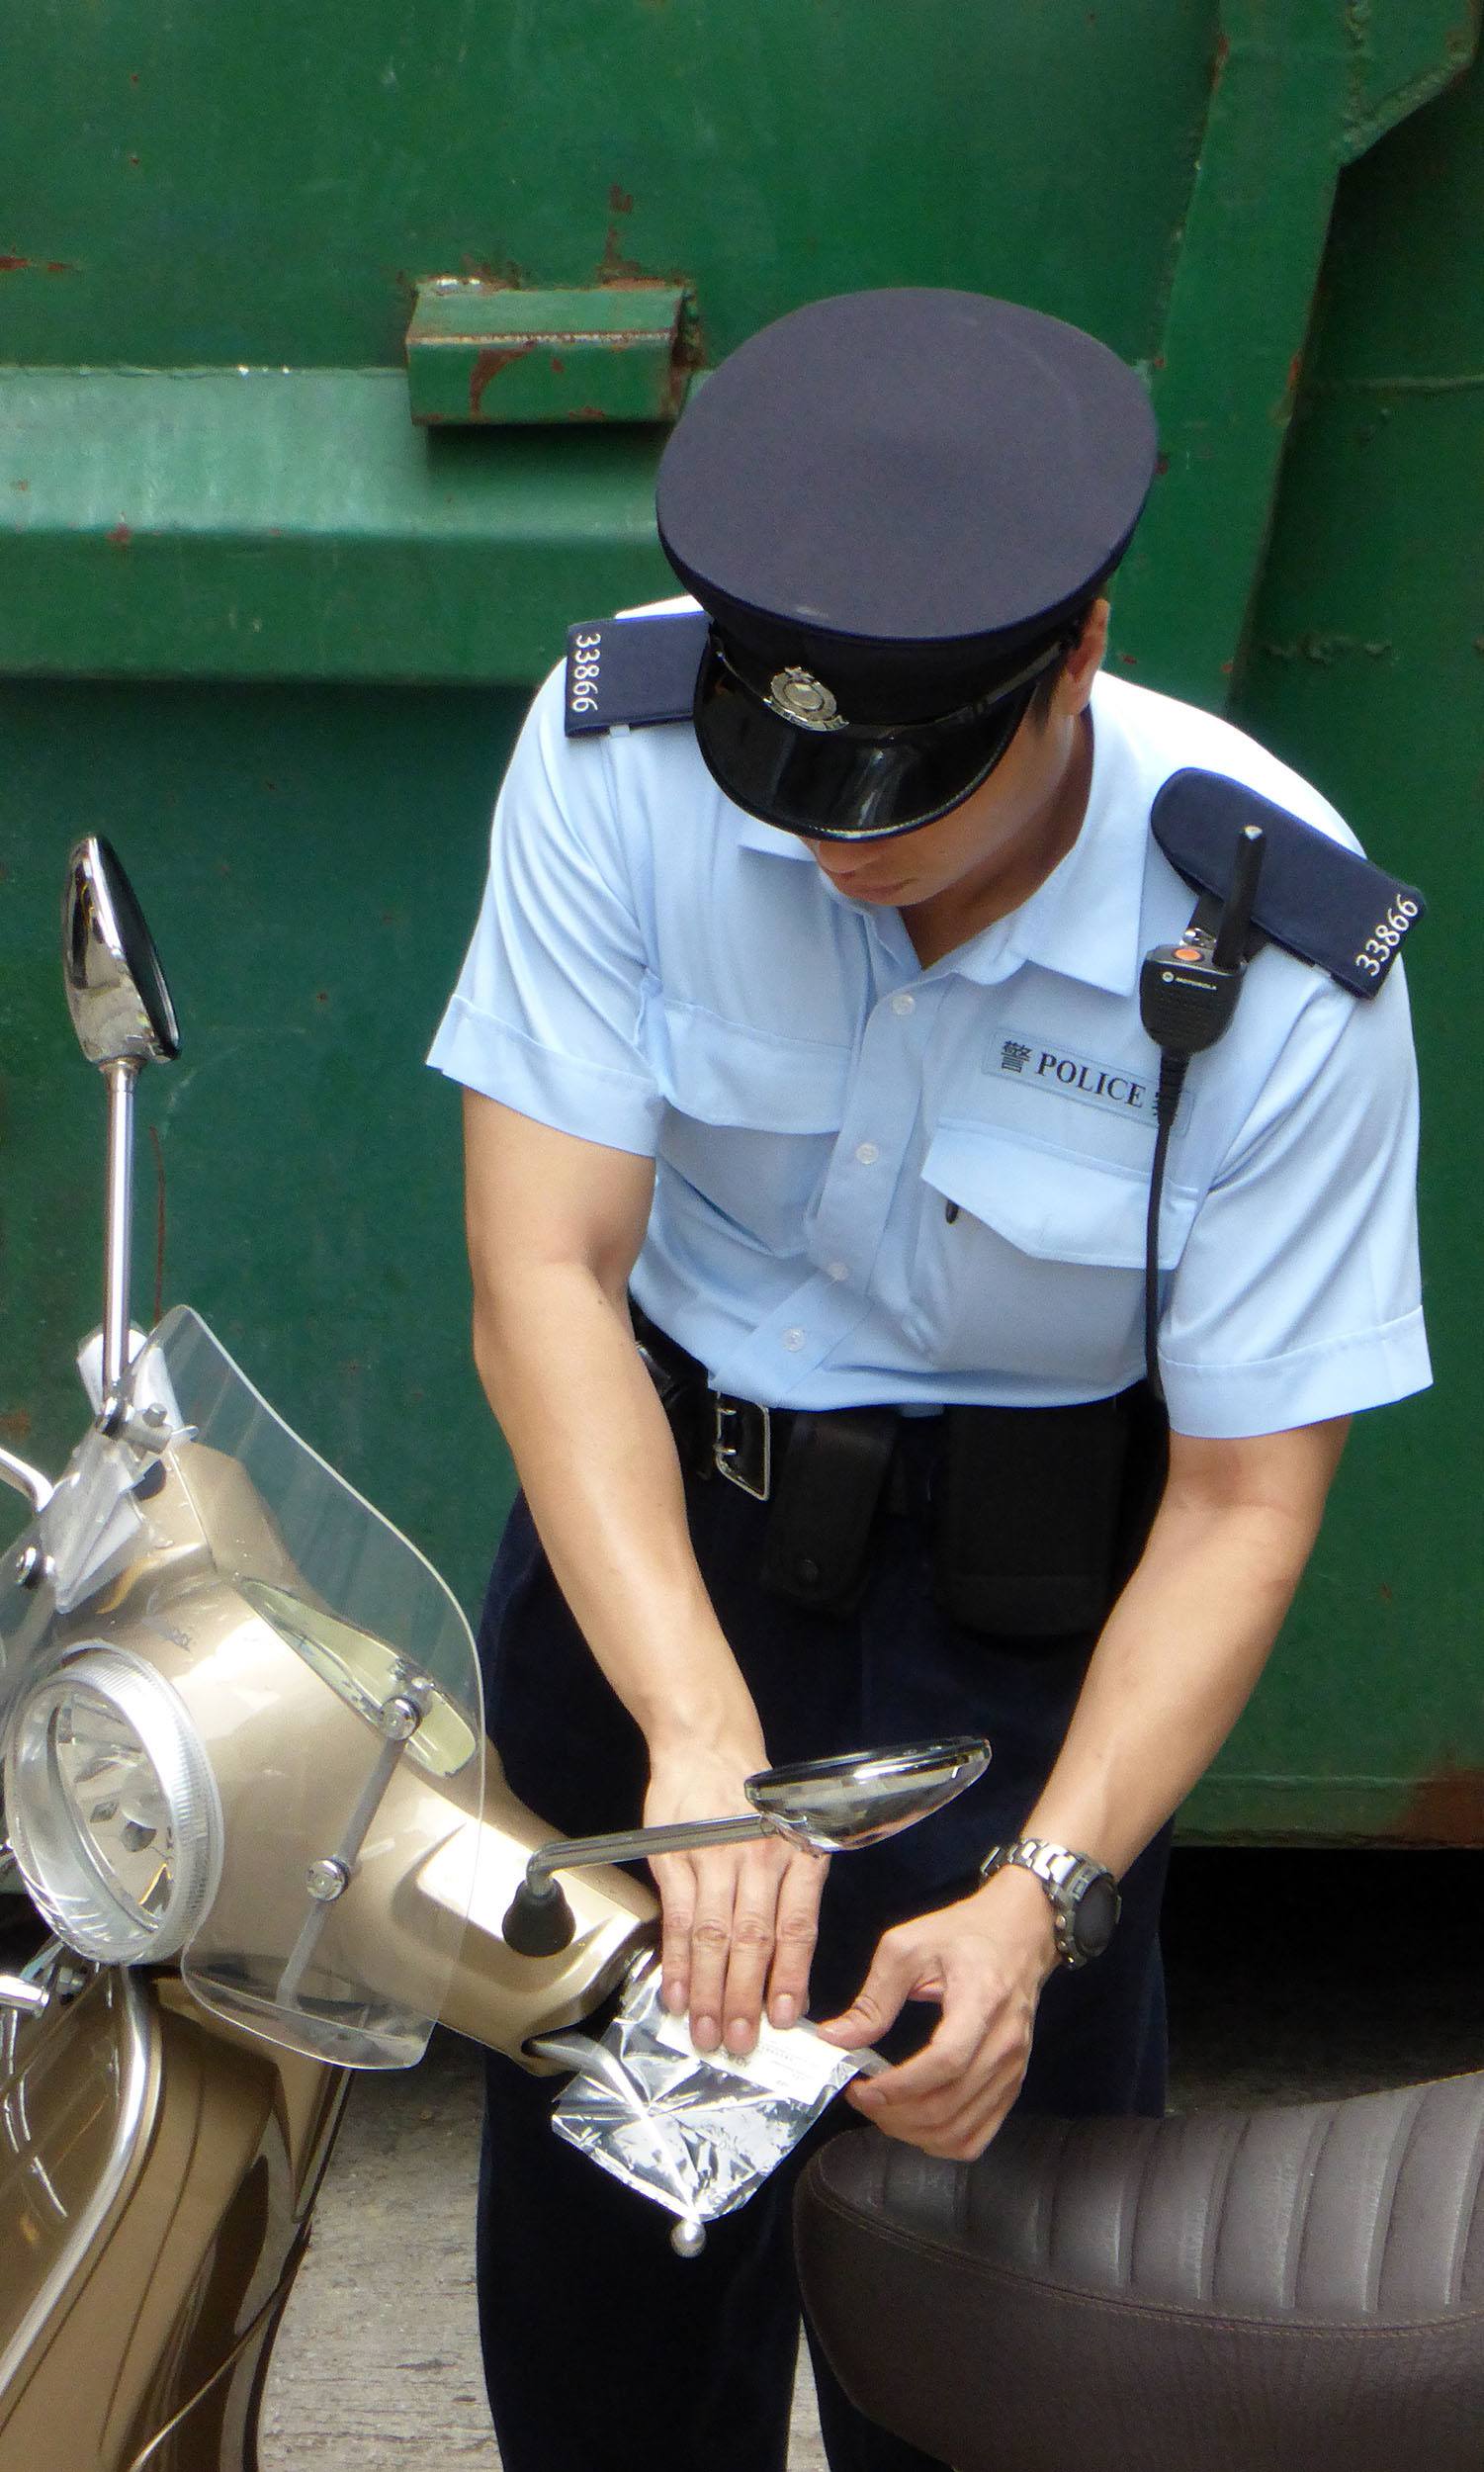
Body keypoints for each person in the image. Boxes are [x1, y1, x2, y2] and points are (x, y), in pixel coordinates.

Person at [428, 290, 1429, 2472]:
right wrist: (694, 1733)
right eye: (781, 778)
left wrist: (1044, 1892)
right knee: (609, 2336)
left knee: (1003, 2355)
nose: (830, 842)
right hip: (655, 1556)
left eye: (902, 788)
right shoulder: (619, 750)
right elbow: (545, 1273)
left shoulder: (1275, 941)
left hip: (1025, 1649)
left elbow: (1247, 1499)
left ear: (1071, 661)